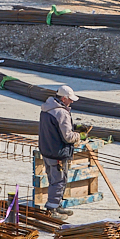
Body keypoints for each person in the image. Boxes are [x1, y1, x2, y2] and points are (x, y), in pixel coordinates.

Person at [38, 85, 91, 221]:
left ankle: (56, 204)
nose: (71, 102)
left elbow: (55, 127)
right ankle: (52, 209)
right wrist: (80, 136)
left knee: (53, 179)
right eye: (70, 99)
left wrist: (74, 127)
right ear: (63, 98)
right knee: (59, 181)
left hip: (47, 150)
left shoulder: (47, 108)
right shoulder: (61, 112)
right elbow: (68, 137)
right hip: (58, 153)